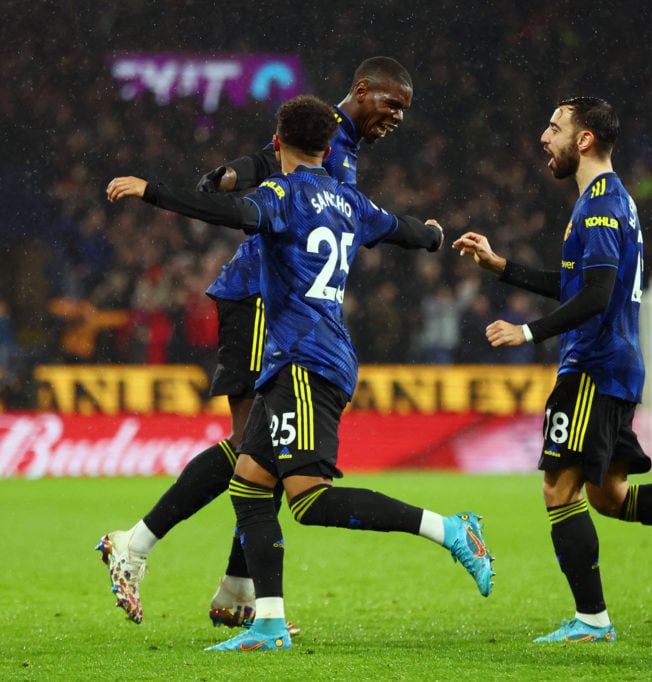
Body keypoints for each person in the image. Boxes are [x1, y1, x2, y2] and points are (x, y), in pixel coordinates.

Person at [106, 95, 494, 652]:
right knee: (248, 482)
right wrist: (433, 235)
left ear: (278, 141)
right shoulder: (349, 200)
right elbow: (401, 229)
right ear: (328, 145)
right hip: (310, 360)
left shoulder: (282, 195)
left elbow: (232, 213)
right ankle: (264, 621)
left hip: (305, 363)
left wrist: (154, 192)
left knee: (309, 500)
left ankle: (453, 531)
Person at [452, 96, 652, 644]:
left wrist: (528, 331)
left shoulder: (600, 205)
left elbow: (598, 295)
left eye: (554, 127)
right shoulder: (608, 202)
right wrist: (502, 266)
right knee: (610, 496)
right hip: (616, 363)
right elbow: (581, 285)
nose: (543, 136)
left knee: (559, 491)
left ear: (583, 139)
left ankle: (592, 620)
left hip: (593, 365)